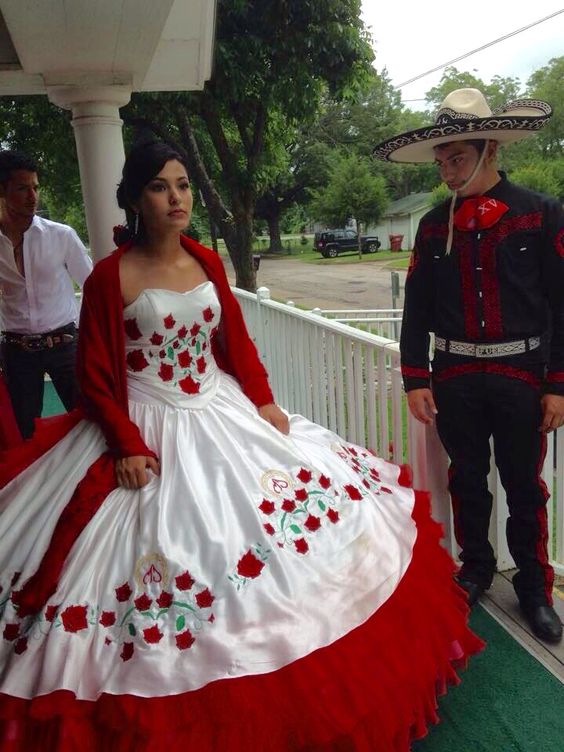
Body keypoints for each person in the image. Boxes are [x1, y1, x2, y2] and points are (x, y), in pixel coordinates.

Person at [0, 140, 482, 751]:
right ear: (136, 199)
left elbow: (236, 340)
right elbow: (95, 376)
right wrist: (125, 443)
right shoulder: (106, 278)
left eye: (182, 185)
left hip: (221, 408)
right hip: (148, 421)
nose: (175, 197)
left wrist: (262, 401)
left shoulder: (205, 259)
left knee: (305, 533)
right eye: (159, 187)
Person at [373, 88, 564, 644]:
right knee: (467, 479)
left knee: (526, 487)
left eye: (456, 158)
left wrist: (557, 384)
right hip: (454, 376)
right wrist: (414, 377)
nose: (447, 171)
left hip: (523, 379)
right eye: (441, 161)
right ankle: (476, 568)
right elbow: (417, 308)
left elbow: (561, 306)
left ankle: (533, 586)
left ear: (490, 149)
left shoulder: (541, 214)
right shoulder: (433, 226)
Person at [0, 150, 93, 438]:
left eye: (35, 187)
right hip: (17, 352)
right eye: (22, 187)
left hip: (66, 345)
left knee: (89, 422)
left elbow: (93, 287)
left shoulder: (61, 235)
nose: (32, 196)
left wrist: (94, 340)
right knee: (26, 433)